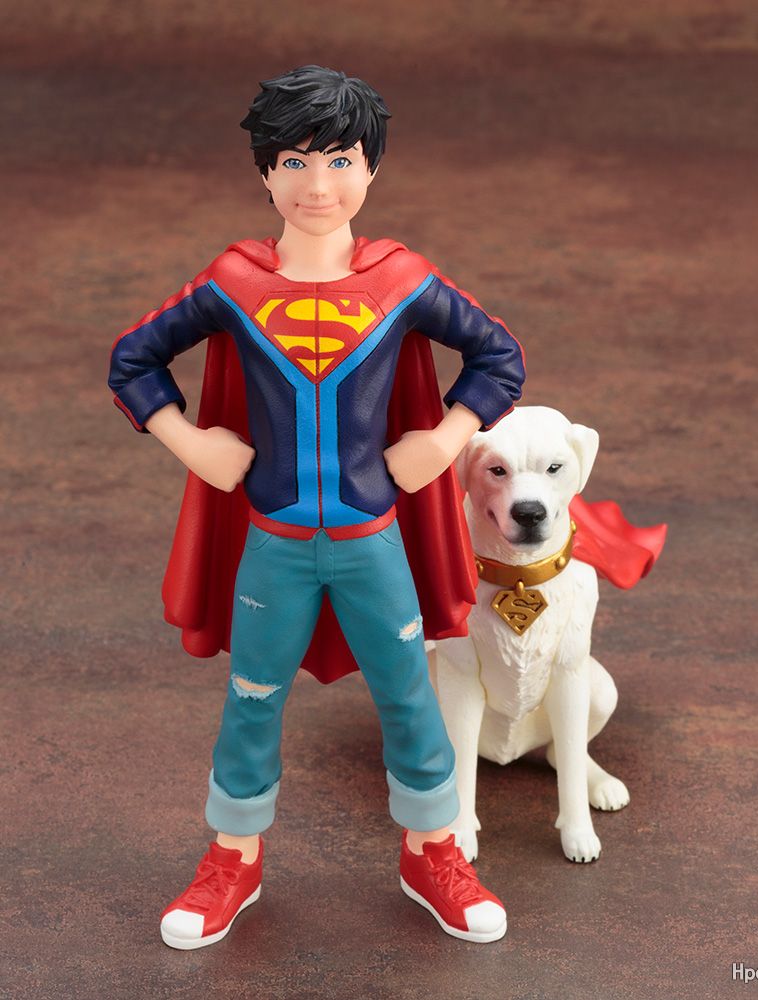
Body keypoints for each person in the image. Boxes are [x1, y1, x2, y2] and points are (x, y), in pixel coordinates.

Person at [108, 65, 525, 948]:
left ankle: (433, 852)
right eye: (294, 162)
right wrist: (192, 442)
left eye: (339, 160)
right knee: (252, 698)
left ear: (371, 168)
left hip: (374, 541)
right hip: (276, 542)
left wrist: (444, 439)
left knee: (408, 695)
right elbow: (133, 358)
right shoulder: (233, 280)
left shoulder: (403, 278)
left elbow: (499, 356)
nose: (318, 184)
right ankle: (232, 859)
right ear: (265, 172)